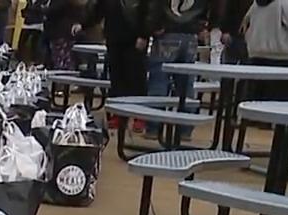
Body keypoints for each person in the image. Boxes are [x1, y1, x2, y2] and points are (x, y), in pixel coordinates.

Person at [146, 0, 222, 134]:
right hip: (190, 35)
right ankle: (185, 129)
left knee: (159, 81)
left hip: (167, 32)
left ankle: (154, 127)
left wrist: (153, 26)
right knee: (186, 83)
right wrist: (204, 26)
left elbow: (155, 6)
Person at [84, 0, 150, 129]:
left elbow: (147, 12)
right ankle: (118, 114)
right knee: (116, 78)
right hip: (114, 38)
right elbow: (98, 11)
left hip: (135, 40)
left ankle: (140, 115)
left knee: (136, 78)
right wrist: (84, 24)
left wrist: (144, 34)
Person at [242, 0, 288, 100]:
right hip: (281, 56)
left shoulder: (256, 3)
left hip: (256, 54)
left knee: (257, 99)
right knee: (280, 100)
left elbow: (246, 22)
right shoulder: (285, 2)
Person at [45, 0, 85, 69]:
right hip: (59, 32)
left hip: (62, 32)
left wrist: (44, 10)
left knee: (63, 63)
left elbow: (55, 9)